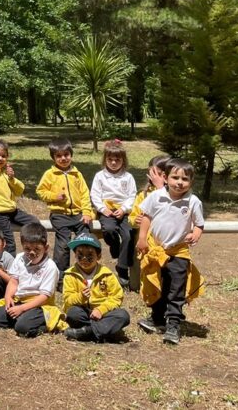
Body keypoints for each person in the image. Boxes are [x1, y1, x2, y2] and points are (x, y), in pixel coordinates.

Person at [136, 158, 206, 345]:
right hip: (155, 250)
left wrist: (196, 234)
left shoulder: (193, 202)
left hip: (178, 252)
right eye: (175, 177)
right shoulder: (156, 196)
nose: (179, 182)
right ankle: (157, 318)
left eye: (185, 179)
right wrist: (142, 239)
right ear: (165, 178)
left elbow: (199, 224)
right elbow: (146, 218)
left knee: (176, 289)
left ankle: (173, 324)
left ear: (191, 181)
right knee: (157, 285)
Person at [0, 222, 65, 338]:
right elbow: (14, 281)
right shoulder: (19, 258)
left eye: (37, 249)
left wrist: (22, 309)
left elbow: (44, 297)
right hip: (20, 300)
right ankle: (22, 318)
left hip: (39, 305)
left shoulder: (50, 267)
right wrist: (8, 297)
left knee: (23, 329)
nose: (32, 253)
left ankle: (45, 322)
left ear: (46, 248)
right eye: (27, 249)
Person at [35, 138, 92, 275]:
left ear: (71, 155)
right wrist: (54, 196)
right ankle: (61, 276)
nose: (63, 158)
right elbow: (40, 191)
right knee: (63, 245)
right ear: (53, 158)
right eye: (59, 156)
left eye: (66, 155)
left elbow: (85, 194)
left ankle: (86, 271)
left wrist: (86, 212)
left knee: (85, 242)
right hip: (59, 214)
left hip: (78, 214)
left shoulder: (77, 174)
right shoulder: (50, 174)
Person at [62, 234, 130, 342]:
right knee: (73, 313)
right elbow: (67, 299)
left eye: (89, 254)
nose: (84, 258)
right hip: (83, 313)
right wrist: (80, 297)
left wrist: (101, 309)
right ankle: (104, 330)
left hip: (103, 314)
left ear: (98, 256)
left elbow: (116, 297)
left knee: (123, 315)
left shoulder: (107, 274)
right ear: (75, 254)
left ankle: (86, 332)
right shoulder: (70, 275)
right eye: (80, 254)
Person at [91, 139, 137, 282]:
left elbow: (132, 195)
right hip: (107, 210)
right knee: (110, 229)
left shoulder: (128, 177)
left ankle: (122, 269)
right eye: (110, 159)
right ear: (105, 160)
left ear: (123, 160)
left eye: (117, 160)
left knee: (128, 236)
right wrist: (102, 209)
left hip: (123, 211)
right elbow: (95, 195)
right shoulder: (100, 176)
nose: (113, 162)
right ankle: (115, 247)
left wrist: (124, 209)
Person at [128, 154, 169, 291]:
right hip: (144, 241)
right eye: (150, 172)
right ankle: (139, 286)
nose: (152, 177)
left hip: (163, 242)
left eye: (156, 174)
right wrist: (136, 220)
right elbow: (132, 217)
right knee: (141, 267)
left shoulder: (173, 195)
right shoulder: (143, 195)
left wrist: (160, 188)